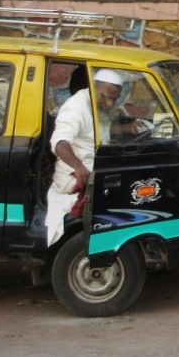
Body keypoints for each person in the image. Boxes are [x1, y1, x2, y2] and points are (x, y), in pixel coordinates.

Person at [45, 68, 126, 247]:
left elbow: (97, 132)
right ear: (94, 87)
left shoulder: (99, 105)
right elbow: (60, 143)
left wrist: (126, 129)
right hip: (74, 174)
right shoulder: (76, 106)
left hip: (95, 165)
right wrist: (79, 166)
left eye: (114, 98)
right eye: (106, 96)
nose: (110, 103)